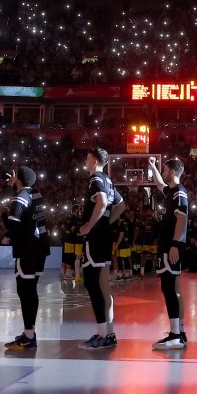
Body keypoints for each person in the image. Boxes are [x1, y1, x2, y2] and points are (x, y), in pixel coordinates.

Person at [78, 148, 126, 350]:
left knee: (92, 284)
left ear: (95, 160)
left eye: (87, 157)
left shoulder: (95, 179)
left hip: (95, 238)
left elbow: (103, 202)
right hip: (104, 237)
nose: (85, 160)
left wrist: (90, 225)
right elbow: (121, 206)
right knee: (104, 286)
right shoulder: (109, 181)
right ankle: (109, 333)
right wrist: (106, 223)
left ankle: (101, 335)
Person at [3, 166, 46, 350]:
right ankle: (30, 333)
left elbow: (12, 225)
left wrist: (3, 213)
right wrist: (16, 187)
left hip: (26, 250)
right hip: (40, 248)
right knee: (31, 291)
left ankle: (29, 336)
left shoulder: (19, 198)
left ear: (19, 180)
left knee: (24, 292)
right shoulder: (36, 195)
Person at [148, 157, 189, 350]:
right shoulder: (172, 191)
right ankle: (179, 332)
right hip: (169, 245)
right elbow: (159, 183)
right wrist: (153, 167)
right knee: (174, 288)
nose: (163, 172)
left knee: (168, 288)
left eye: (165, 169)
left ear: (172, 171)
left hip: (170, 247)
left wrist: (174, 244)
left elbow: (182, 219)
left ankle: (175, 335)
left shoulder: (179, 193)